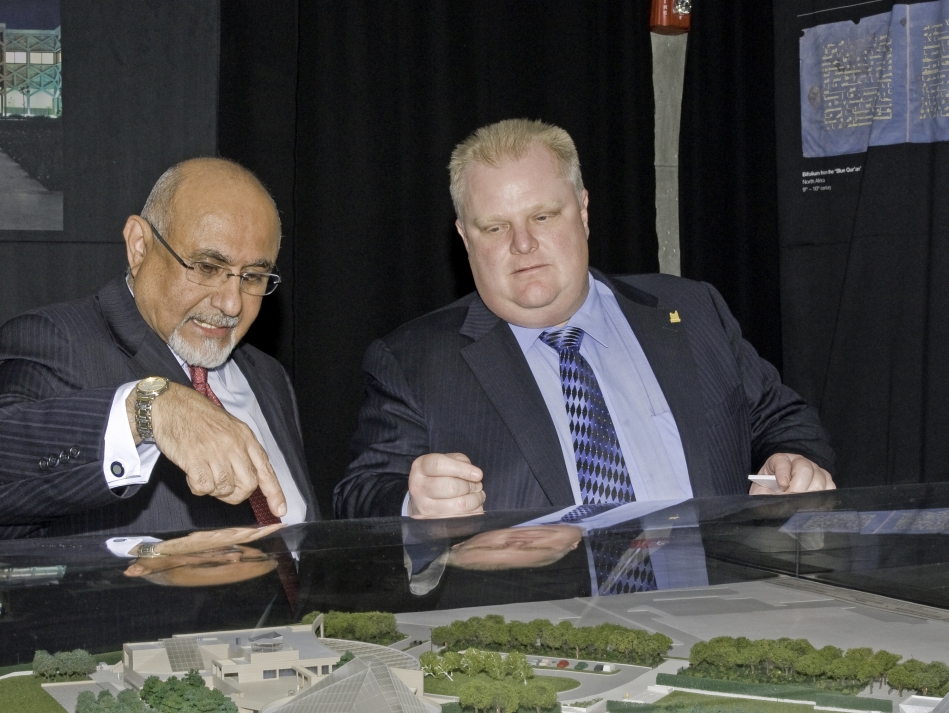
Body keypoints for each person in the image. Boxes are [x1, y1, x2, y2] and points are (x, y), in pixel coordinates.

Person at [334, 119, 836, 519]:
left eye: (544, 216)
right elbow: (360, 494)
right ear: (465, 237)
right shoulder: (414, 360)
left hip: (717, 615)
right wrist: (412, 504)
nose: (523, 244)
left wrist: (790, 459)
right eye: (495, 226)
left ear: (583, 209)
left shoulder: (692, 310)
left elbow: (782, 420)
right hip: (535, 636)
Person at [0, 158, 319, 538]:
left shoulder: (268, 376)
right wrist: (147, 408)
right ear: (139, 246)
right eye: (206, 267)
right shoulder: (61, 341)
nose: (232, 303)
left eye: (253, 276)